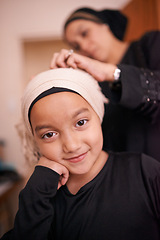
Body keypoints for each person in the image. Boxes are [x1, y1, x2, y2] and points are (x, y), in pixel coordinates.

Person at [1, 68, 160, 240]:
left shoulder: (144, 172)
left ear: (98, 116)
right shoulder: (40, 198)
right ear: (35, 141)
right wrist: (36, 192)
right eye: (49, 134)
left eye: (81, 122)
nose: (71, 145)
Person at [50, 7, 160, 162]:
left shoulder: (150, 45)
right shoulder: (95, 84)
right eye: (76, 46)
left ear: (105, 25)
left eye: (84, 33)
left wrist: (111, 73)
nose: (84, 47)